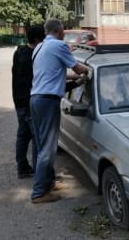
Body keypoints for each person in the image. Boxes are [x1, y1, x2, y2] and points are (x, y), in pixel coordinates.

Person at [30, 18, 88, 204]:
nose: (64, 32)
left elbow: (53, 76)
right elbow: (78, 68)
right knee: (48, 148)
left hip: (36, 99)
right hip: (47, 102)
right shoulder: (58, 45)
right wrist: (87, 72)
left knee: (41, 146)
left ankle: (48, 183)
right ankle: (39, 193)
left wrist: (73, 83)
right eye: (63, 30)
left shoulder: (39, 47)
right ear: (59, 30)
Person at [12, 25, 45, 179]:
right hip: (29, 102)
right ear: (38, 39)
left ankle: (23, 168)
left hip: (19, 101)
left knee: (23, 136)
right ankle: (40, 173)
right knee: (37, 138)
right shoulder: (34, 56)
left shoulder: (19, 52)